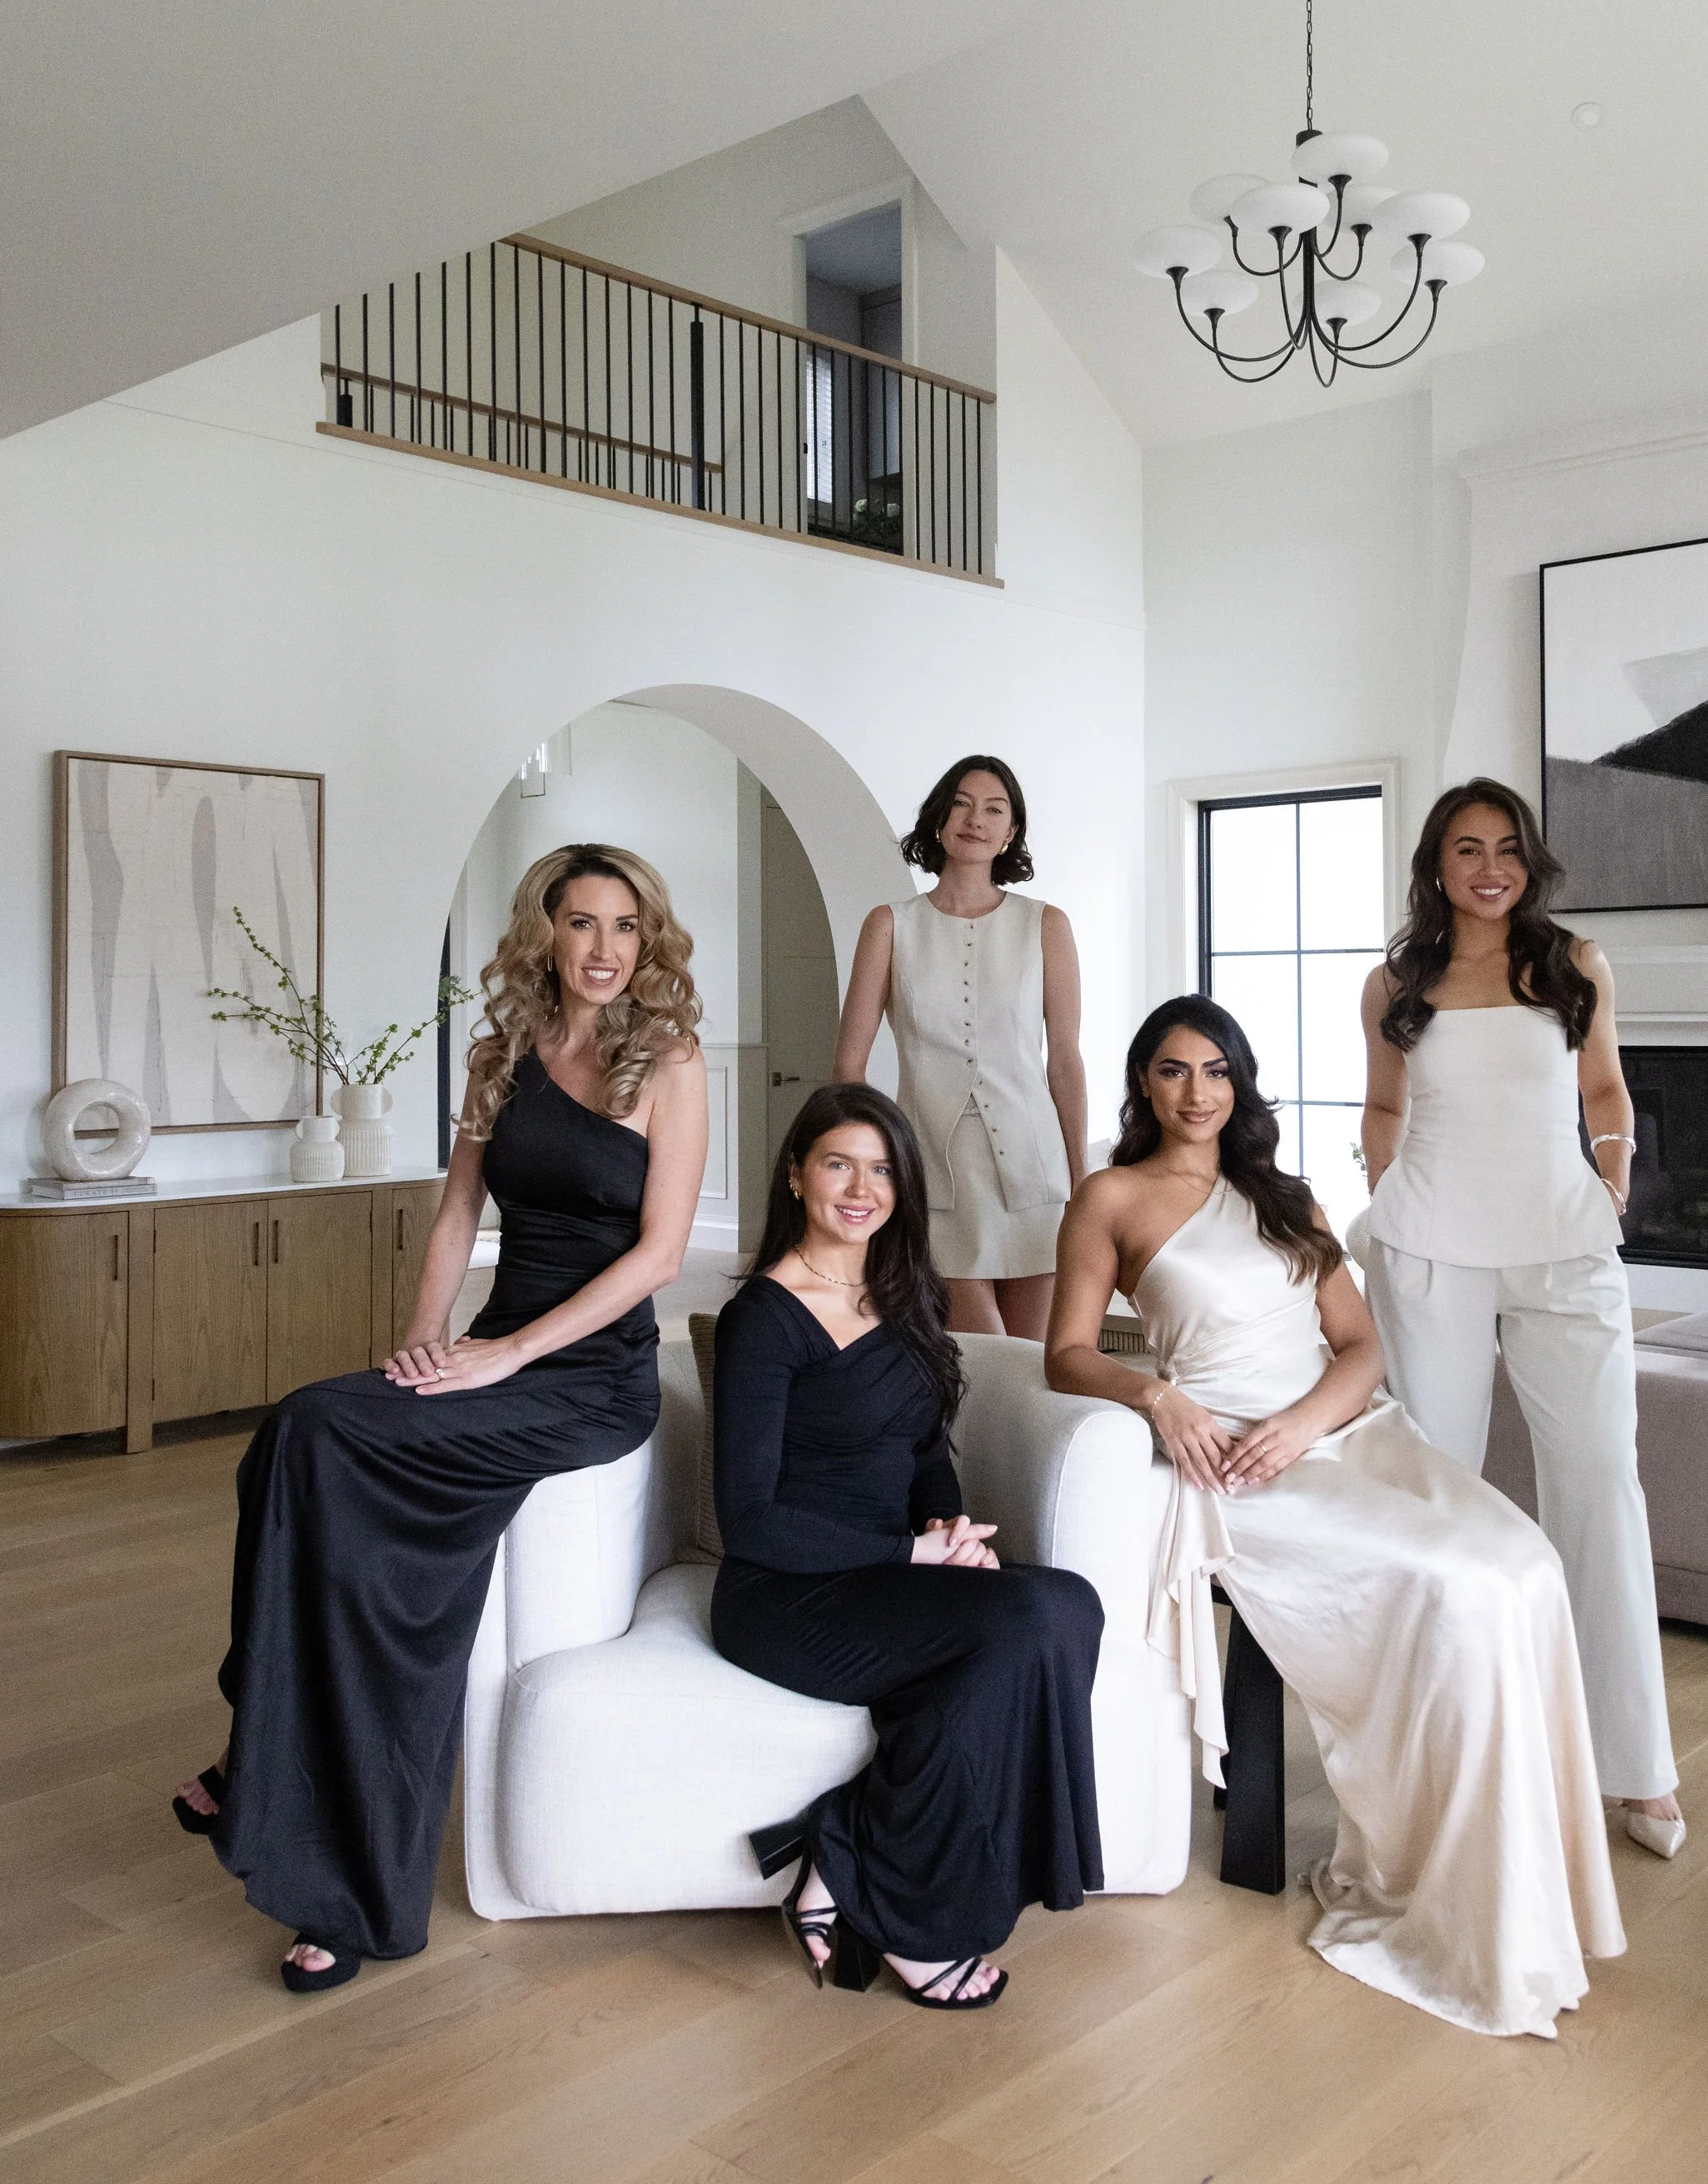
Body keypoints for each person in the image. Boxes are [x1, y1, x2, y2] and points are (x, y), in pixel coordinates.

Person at [172, 844, 710, 1990]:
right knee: (298, 1430)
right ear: (544, 935)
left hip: (585, 1375)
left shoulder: (669, 1062)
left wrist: (503, 1353)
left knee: (319, 1436)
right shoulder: (500, 1049)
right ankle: (262, 1736)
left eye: (624, 926)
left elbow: (660, 1254)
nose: (604, 949)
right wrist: (426, 1346)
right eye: (581, 923)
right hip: (488, 1353)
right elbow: (458, 1211)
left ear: (645, 939)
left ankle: (334, 1873)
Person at [1048, 998, 1623, 2041]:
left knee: (1525, 1564)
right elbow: (1068, 1353)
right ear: (1143, 1082)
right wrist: (1158, 1397)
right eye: (1174, 1071)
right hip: (1235, 1463)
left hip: (1348, 1434)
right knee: (1460, 1582)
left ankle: (1529, 1879)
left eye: (1218, 1071)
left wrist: (1306, 1419)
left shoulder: (1286, 1196)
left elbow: (1360, 1345)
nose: (1197, 1092)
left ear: (1240, 1084)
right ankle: (1444, 1879)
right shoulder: (1110, 1197)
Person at [709, 1082, 1103, 2011]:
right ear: (797, 1176)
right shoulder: (762, 1318)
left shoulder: (903, 1294)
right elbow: (750, 1519)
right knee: (1016, 1627)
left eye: (881, 1169)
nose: (860, 1187)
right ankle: (917, 1928)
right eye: (838, 1163)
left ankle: (842, 1851)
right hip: (787, 1594)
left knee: (1066, 1603)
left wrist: (947, 1529)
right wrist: (908, 1557)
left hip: (889, 1570)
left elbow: (923, 1449)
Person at [1358, 778, 1683, 1858]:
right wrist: (1381, 1183)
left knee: (1597, 1481)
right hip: (1430, 1246)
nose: (1486, 867)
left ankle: (1633, 1768)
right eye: (1464, 849)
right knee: (1438, 1493)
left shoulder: (1573, 967)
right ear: (1434, 865)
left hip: (1561, 1241)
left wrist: (1613, 1176)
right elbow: (1383, 1104)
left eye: (1503, 848)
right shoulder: (1394, 984)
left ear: (1526, 860)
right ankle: (1443, 1752)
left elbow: (1604, 1091)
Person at [834, 754, 1083, 1341]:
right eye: (962, 804)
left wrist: (1082, 1180)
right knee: (979, 1352)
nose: (976, 819)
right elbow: (848, 1066)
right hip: (929, 1170)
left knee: (1033, 1363)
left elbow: (1065, 1060)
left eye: (994, 808)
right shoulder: (889, 924)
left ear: (1010, 832)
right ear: (938, 819)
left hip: (1035, 1171)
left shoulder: (1045, 924)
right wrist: (868, 1167)